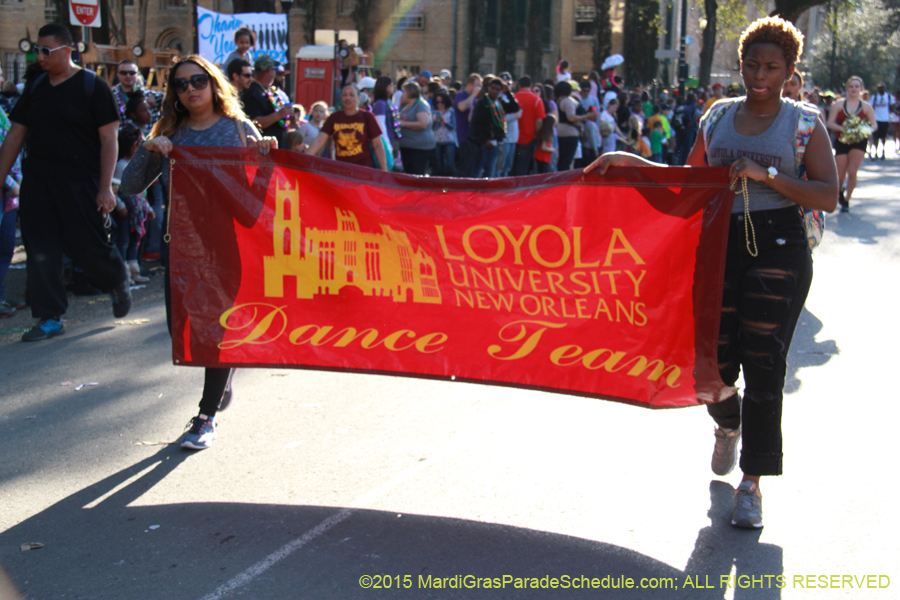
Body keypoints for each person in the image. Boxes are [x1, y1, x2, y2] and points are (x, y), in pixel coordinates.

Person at [585, 16, 838, 530]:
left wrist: (767, 174)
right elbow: (690, 181)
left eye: (771, 66)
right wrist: (628, 161)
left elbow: (827, 195)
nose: (759, 74)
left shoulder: (804, 122)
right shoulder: (717, 116)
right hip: (718, 245)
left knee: (764, 363)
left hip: (780, 245)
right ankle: (728, 423)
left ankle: (753, 484)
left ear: (790, 70)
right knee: (713, 366)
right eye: (751, 64)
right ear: (741, 64)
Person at [119, 54, 277, 450]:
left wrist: (267, 159)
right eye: (181, 84)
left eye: (198, 81)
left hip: (225, 244)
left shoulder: (239, 130)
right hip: (182, 248)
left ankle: (205, 418)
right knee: (185, 329)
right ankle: (224, 374)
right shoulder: (173, 132)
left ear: (213, 84)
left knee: (214, 330)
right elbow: (130, 187)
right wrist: (150, 149)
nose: (190, 89)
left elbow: (255, 202)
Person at [0, 23, 132, 341]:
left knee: (86, 246)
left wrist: (105, 187)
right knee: (41, 249)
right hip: (39, 182)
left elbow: (109, 139)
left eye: (47, 51)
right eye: (37, 50)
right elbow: (16, 134)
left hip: (81, 182)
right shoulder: (36, 87)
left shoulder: (92, 86)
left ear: (67, 50)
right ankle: (50, 317)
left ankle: (116, 279)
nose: (40, 56)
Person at [305, 84, 387, 170]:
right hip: (342, 171)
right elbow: (319, 140)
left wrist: (384, 172)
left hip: (364, 170)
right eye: (344, 95)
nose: (347, 98)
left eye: (351, 95)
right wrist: (304, 160)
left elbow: (377, 145)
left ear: (358, 98)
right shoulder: (334, 117)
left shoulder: (367, 117)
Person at [826, 76, 876, 212]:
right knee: (840, 175)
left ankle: (847, 200)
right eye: (851, 86)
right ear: (847, 88)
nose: (854, 89)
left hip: (859, 141)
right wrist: (845, 129)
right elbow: (830, 123)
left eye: (856, 87)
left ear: (861, 89)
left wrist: (861, 130)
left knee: (852, 172)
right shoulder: (838, 105)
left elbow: (874, 125)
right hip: (842, 140)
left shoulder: (866, 107)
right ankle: (840, 192)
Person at [0, 94, 23, 317]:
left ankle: (1, 295)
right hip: (6, 185)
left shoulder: (2, 111)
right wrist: (10, 183)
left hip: (9, 190)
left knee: (5, 246)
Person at [241, 55, 291, 150]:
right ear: (269, 72)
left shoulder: (268, 90)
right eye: (274, 70)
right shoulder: (253, 91)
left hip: (277, 146)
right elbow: (255, 122)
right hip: (265, 149)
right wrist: (279, 115)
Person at [397, 81, 436, 175]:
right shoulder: (406, 105)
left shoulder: (421, 105)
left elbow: (423, 124)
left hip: (418, 148)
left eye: (404, 92)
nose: (402, 94)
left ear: (410, 92)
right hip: (407, 146)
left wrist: (404, 124)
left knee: (416, 174)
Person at [112, 60, 164, 128]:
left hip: (148, 137)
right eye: (123, 73)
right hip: (122, 137)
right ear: (117, 74)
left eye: (132, 73)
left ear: (138, 74)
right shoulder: (111, 97)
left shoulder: (150, 95)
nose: (128, 76)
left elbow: (172, 98)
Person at [512, 76, 546, 176]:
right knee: (523, 166)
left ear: (519, 86)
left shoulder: (513, 98)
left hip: (513, 137)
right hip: (529, 137)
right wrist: (536, 134)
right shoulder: (537, 100)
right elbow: (539, 121)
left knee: (511, 165)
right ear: (531, 86)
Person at [555, 81, 588, 171]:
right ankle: (564, 181)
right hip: (569, 134)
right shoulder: (567, 101)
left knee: (562, 160)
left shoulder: (558, 100)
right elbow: (571, 117)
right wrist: (587, 116)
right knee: (567, 161)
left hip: (561, 132)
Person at [453, 73, 482, 176]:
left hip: (474, 138)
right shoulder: (461, 95)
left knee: (472, 169)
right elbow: (461, 107)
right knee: (464, 167)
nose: (479, 88)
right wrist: (474, 95)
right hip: (463, 137)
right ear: (470, 84)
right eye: (477, 85)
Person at [432, 91, 457, 176]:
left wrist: (444, 121)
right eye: (437, 102)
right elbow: (432, 128)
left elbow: (453, 127)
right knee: (439, 165)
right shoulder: (434, 112)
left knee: (450, 165)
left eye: (442, 102)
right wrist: (435, 121)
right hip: (437, 141)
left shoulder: (451, 111)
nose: (440, 104)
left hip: (449, 141)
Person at [869, 83, 895, 160]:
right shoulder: (874, 97)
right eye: (880, 88)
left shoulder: (889, 97)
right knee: (875, 136)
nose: (881, 89)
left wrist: (890, 116)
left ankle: (883, 151)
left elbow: (892, 107)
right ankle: (875, 152)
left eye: (882, 87)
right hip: (876, 119)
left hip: (885, 119)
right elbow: (871, 107)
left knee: (883, 136)